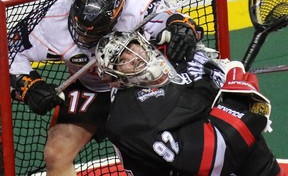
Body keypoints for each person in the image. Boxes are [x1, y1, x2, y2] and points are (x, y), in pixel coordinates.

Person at [9, 0, 201, 175]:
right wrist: (29, 86)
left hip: (142, 82)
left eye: (92, 34)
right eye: (80, 29)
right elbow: (8, 53)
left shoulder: (137, 2)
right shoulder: (51, 21)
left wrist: (181, 29)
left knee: (163, 148)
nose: (83, 37)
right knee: (56, 154)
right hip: (94, 87)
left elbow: (172, 20)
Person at [94, 31, 285, 176]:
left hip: (253, 162)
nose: (133, 57)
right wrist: (243, 94)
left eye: (132, 48)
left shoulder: (177, 57)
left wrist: (220, 76)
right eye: (121, 60)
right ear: (115, 78)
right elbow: (212, 157)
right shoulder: (131, 117)